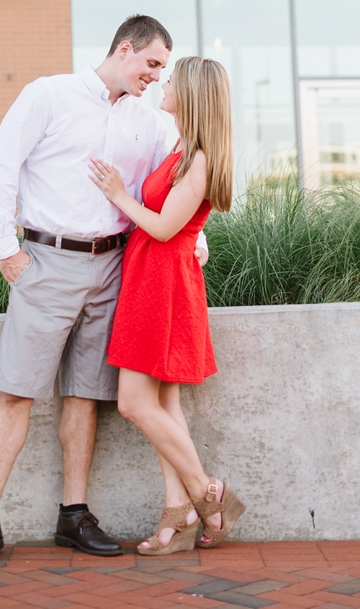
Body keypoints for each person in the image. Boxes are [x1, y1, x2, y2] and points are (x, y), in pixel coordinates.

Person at [0, 15, 207, 568]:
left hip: (116, 269)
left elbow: (170, 186)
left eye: (164, 70)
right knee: (17, 390)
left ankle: (74, 514)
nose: (157, 78)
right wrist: (6, 252)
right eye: (152, 64)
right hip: (46, 261)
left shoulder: (148, 123)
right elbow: (1, 167)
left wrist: (196, 236)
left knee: (85, 395)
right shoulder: (49, 95)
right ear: (125, 48)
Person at [89, 55, 246, 554]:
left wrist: (118, 194)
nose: (164, 83)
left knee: (134, 403)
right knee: (164, 404)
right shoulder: (182, 148)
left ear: (194, 94)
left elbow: (162, 227)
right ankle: (176, 517)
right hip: (150, 277)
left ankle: (207, 492)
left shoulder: (198, 159)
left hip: (164, 282)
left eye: (172, 80)